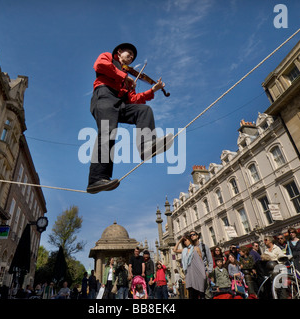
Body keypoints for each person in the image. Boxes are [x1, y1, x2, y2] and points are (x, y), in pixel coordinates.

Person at [86, 43, 173, 194]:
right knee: (109, 131)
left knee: (143, 111)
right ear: (119, 52)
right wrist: (124, 76)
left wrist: (152, 90)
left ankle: (147, 146)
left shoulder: (127, 81)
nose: (131, 57)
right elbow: (100, 65)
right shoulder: (108, 58)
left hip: (119, 105)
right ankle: (96, 179)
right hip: (104, 97)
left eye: (133, 56)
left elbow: (133, 100)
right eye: (129, 53)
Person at [189, 231, 214, 298]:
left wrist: (208, 272)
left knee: (206, 294)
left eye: (193, 234)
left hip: (204, 273)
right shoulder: (190, 249)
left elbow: (210, 260)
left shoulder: (204, 246)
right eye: (190, 235)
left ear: (197, 236)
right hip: (194, 275)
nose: (192, 236)